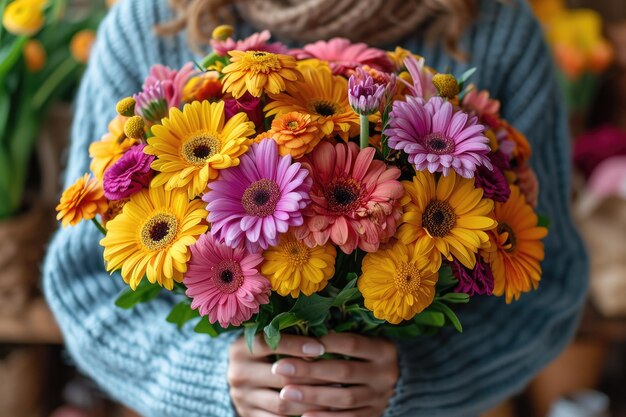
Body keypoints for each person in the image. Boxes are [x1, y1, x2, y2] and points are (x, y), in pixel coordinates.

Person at [43, 0, 589, 416]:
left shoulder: (497, 26)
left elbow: (550, 284)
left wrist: (419, 380)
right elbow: (85, 280)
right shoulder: (151, 19)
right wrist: (209, 378)